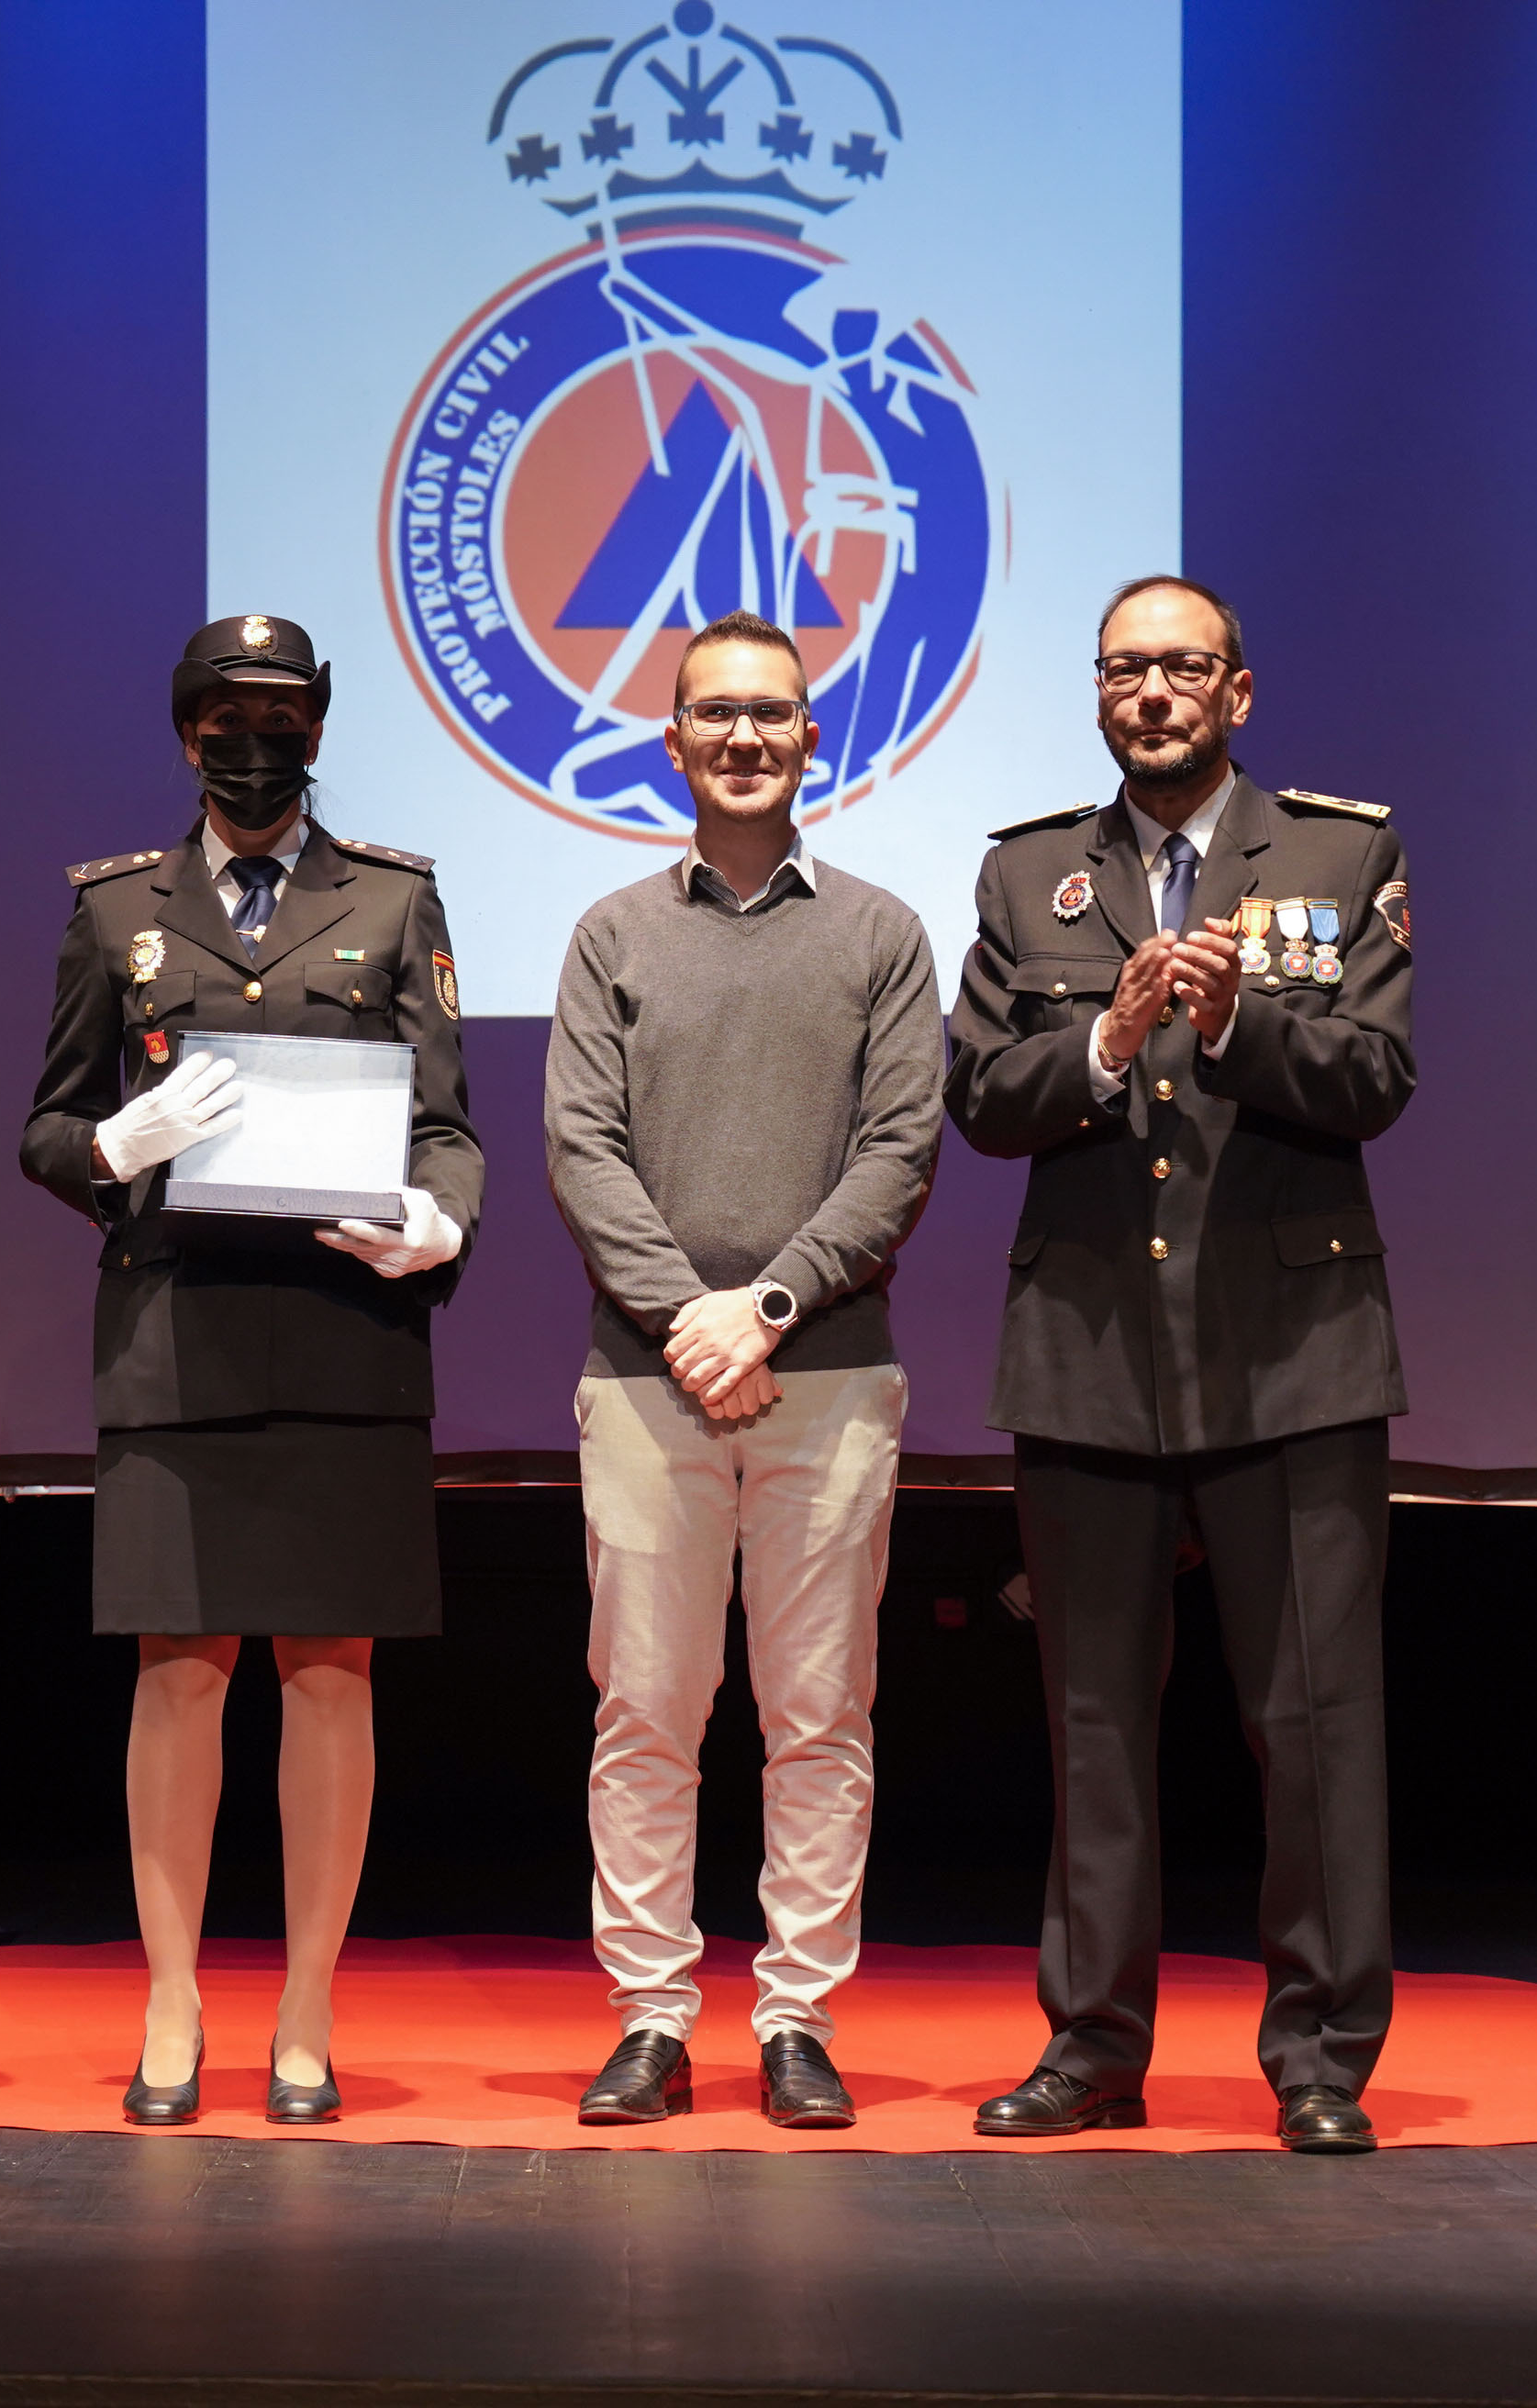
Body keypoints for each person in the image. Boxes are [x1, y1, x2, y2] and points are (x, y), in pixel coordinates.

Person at [942, 573, 1413, 2154]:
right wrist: (1105, 1040)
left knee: (1314, 1722)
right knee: (1093, 1724)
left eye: (1184, 670)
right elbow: (982, 1100)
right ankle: (1093, 2046)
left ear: (1238, 692)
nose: (1153, 694)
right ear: (1099, 693)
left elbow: (1378, 1075)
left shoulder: (1340, 854)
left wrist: (1231, 1027)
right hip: (1087, 1352)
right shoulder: (1030, 872)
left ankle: (1322, 2059)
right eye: (1125, 671)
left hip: (1295, 1355)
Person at [20, 612, 482, 2126]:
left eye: (283, 715)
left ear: (320, 729)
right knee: (179, 1671)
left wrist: (441, 1220)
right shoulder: (118, 910)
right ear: (186, 732)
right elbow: (47, 1126)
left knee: (331, 1672)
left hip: (349, 1335)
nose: (256, 740)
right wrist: (112, 1146)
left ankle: (306, 2005)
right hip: (175, 1338)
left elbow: (447, 1126)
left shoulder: (394, 899)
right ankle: (172, 1998)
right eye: (228, 715)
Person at [541, 611, 944, 2128]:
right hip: (646, 1382)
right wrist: (690, 1322)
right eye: (715, 713)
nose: (744, 737)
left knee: (819, 1716)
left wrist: (762, 1309)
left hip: (827, 1379)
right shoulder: (612, 933)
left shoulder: (883, 933)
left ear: (811, 738)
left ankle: (796, 2023)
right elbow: (581, 1149)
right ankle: (651, 2018)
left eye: (771, 713)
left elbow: (899, 1151)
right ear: (672, 741)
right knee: (646, 1713)